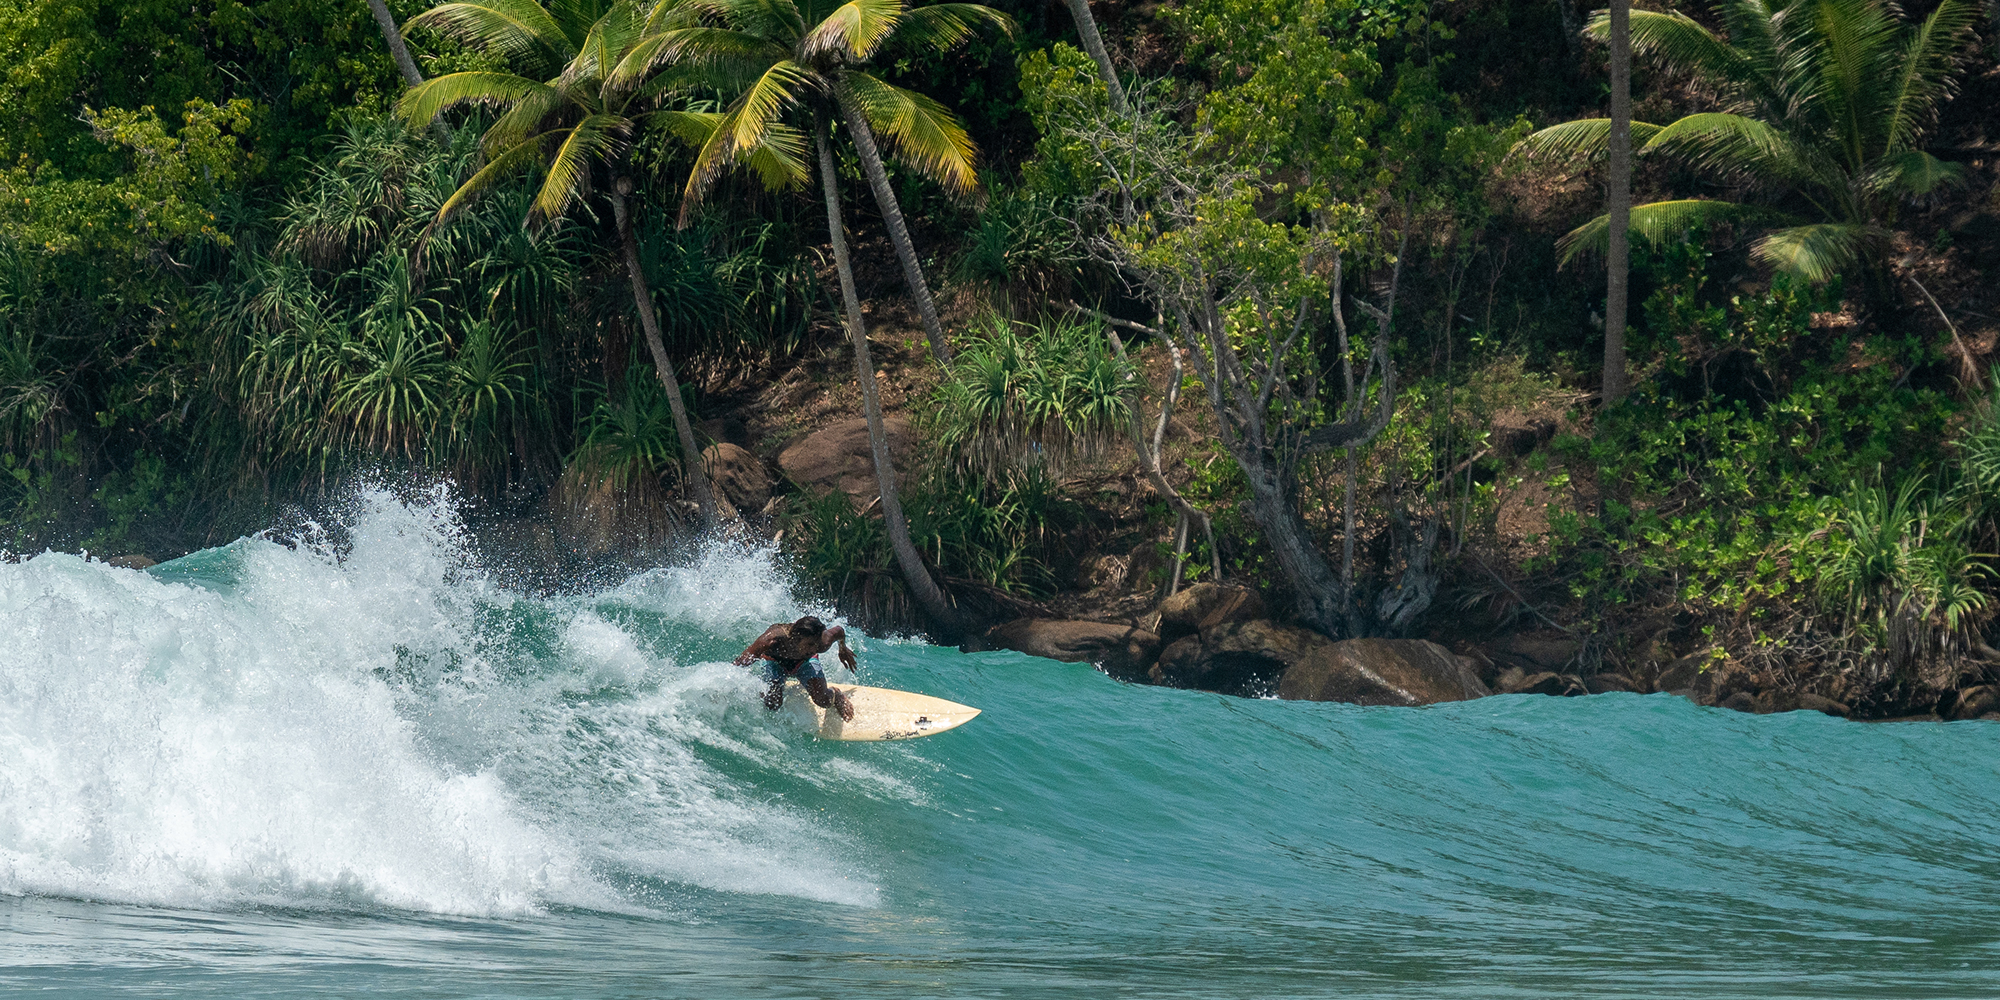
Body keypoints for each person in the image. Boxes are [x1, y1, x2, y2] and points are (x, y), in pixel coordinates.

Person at [734, 615, 856, 721]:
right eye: (810, 644)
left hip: (804, 662)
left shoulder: (823, 642)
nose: (814, 649)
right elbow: (740, 663)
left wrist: (843, 649)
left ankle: (836, 694)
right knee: (772, 703)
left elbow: (839, 631)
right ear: (796, 638)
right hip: (774, 662)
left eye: (817, 644)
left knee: (823, 700)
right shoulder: (771, 640)